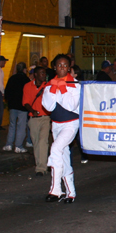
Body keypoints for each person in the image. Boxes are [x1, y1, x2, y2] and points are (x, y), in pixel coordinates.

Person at [42, 54, 80, 203]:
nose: (62, 68)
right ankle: (71, 193)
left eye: (65, 65)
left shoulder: (75, 84)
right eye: (59, 65)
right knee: (63, 156)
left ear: (69, 67)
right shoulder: (50, 84)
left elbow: (71, 105)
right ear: (54, 67)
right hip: (56, 124)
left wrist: (62, 88)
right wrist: (53, 88)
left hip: (71, 123)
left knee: (56, 149)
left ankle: (55, 189)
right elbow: (48, 106)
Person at [23, 66, 51, 176]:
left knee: (43, 141)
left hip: (45, 117)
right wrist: (32, 110)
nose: (44, 75)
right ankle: (40, 163)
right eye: (42, 73)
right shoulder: (28, 86)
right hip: (33, 118)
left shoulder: (48, 87)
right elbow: (26, 102)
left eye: (44, 73)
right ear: (36, 75)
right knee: (36, 143)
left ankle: (41, 168)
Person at [2, 62, 30, 152]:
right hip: (22, 106)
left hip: (13, 105)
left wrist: (9, 101)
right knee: (21, 126)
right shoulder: (26, 80)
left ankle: (9, 144)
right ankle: (18, 145)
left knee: (12, 125)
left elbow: (7, 91)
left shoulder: (12, 78)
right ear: (25, 70)